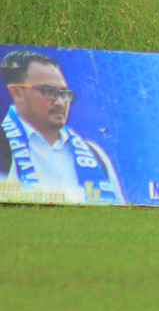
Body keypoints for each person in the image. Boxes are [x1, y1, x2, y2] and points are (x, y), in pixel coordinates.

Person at [1, 49, 124, 204]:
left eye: (64, 93)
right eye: (48, 91)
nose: (60, 102)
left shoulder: (95, 155)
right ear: (17, 93)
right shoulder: (4, 145)